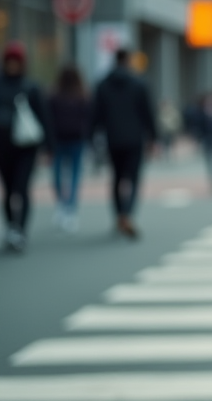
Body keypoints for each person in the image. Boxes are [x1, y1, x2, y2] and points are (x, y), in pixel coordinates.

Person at [92, 48, 158, 239]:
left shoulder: (103, 84)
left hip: (113, 138)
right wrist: (153, 137)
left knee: (117, 178)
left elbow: (96, 114)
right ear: (128, 61)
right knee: (134, 178)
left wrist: (91, 137)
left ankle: (119, 214)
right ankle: (127, 214)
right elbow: (148, 113)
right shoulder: (139, 84)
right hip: (134, 139)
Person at [0, 42, 51, 252]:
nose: (12, 65)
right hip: (3, 146)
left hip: (27, 147)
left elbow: (44, 118)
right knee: (9, 189)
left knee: (22, 188)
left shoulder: (31, 86)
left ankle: (20, 229)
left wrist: (49, 147)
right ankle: (12, 227)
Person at [48, 65, 91, 233]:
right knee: (71, 175)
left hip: (66, 141)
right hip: (70, 140)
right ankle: (68, 208)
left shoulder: (57, 96)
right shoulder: (81, 96)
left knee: (61, 174)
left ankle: (65, 206)